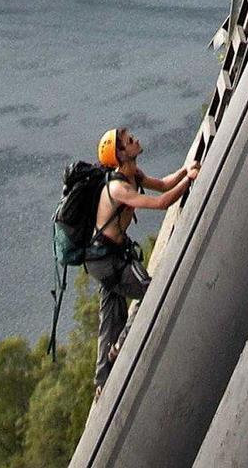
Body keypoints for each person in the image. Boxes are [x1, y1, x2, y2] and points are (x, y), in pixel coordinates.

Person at [87, 126, 198, 397]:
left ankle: (102, 381)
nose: (135, 140)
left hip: (104, 257)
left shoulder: (133, 174)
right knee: (150, 292)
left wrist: (186, 171)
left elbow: (161, 185)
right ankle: (121, 345)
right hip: (106, 260)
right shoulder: (118, 188)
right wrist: (191, 181)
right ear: (121, 155)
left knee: (110, 315)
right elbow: (161, 203)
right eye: (129, 141)